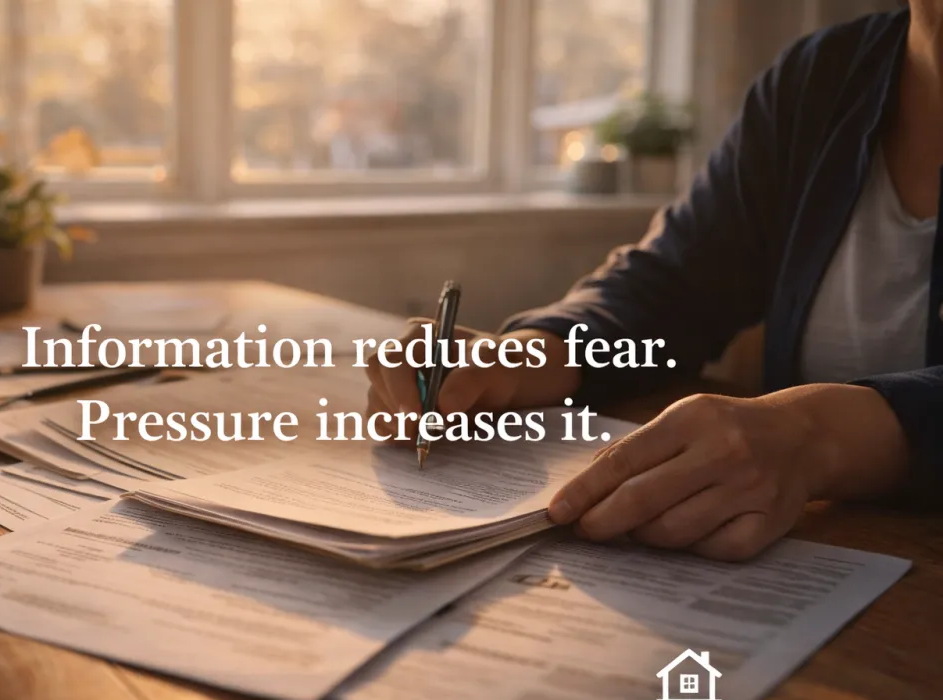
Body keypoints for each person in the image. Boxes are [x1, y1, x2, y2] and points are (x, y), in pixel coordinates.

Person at [365, 4, 942, 562]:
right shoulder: (822, 77)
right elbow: (674, 280)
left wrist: (820, 435)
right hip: (810, 558)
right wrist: (532, 354)